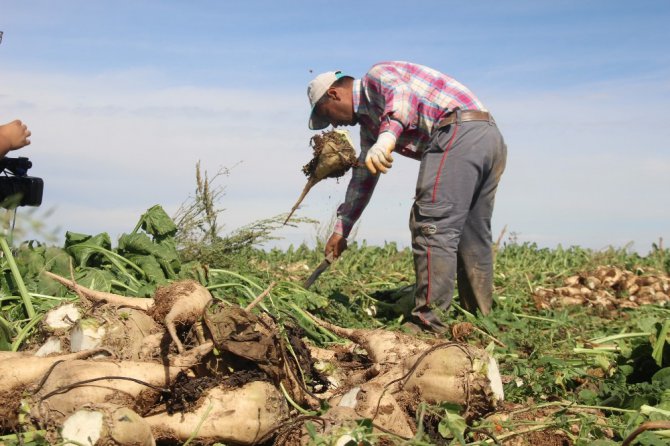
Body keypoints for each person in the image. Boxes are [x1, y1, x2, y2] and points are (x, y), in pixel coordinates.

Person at [307, 61, 507, 333]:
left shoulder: (375, 78)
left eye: (326, 114)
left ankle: (427, 325)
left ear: (333, 94)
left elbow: (403, 97)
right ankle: (479, 320)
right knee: (472, 234)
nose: (332, 123)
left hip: (457, 130)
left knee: (431, 223)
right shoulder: (370, 127)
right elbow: (363, 178)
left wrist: (388, 138)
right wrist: (342, 229)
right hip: (486, 137)